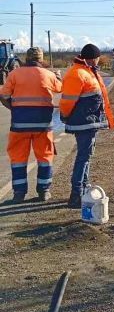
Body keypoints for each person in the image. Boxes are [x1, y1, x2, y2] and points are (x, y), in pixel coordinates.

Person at [0, 47, 62, 203]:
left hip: (20, 125)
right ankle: (44, 191)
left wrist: (14, 109)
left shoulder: (14, 74)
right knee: (45, 157)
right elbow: (60, 88)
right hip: (43, 125)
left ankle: (19, 194)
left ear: (26, 59)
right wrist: (58, 77)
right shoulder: (48, 75)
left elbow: (3, 96)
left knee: (18, 159)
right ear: (41, 59)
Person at [59, 43, 114, 209]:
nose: (98, 60)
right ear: (93, 58)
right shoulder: (78, 73)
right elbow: (67, 101)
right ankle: (76, 194)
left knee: (86, 156)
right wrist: (65, 116)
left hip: (88, 122)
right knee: (83, 157)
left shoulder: (86, 71)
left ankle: (82, 190)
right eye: (97, 58)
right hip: (84, 123)